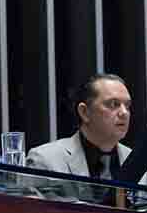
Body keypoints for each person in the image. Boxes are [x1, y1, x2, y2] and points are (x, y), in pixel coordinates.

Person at [26, 74, 134, 204]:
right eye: (113, 104)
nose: (124, 112)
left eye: (127, 106)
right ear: (85, 112)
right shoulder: (45, 160)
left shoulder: (141, 162)